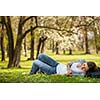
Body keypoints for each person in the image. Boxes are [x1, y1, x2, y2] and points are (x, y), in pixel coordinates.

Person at [30, 54, 97, 76]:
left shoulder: (81, 74)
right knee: (40, 55)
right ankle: (40, 71)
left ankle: (31, 74)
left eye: (84, 68)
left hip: (53, 71)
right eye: (84, 65)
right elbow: (69, 63)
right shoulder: (82, 61)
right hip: (57, 64)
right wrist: (69, 68)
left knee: (36, 62)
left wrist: (68, 73)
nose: (82, 66)